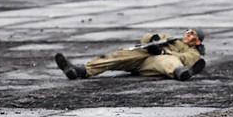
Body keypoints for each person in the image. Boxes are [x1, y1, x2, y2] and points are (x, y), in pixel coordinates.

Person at [54, 29, 206, 82]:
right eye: (188, 32)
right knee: (118, 56)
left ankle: (181, 73)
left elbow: (185, 59)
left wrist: (162, 52)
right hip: (142, 56)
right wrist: (152, 40)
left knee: (169, 61)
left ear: (198, 40)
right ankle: (80, 70)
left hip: (155, 63)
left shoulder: (194, 52)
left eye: (193, 35)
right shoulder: (173, 38)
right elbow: (149, 37)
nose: (188, 35)